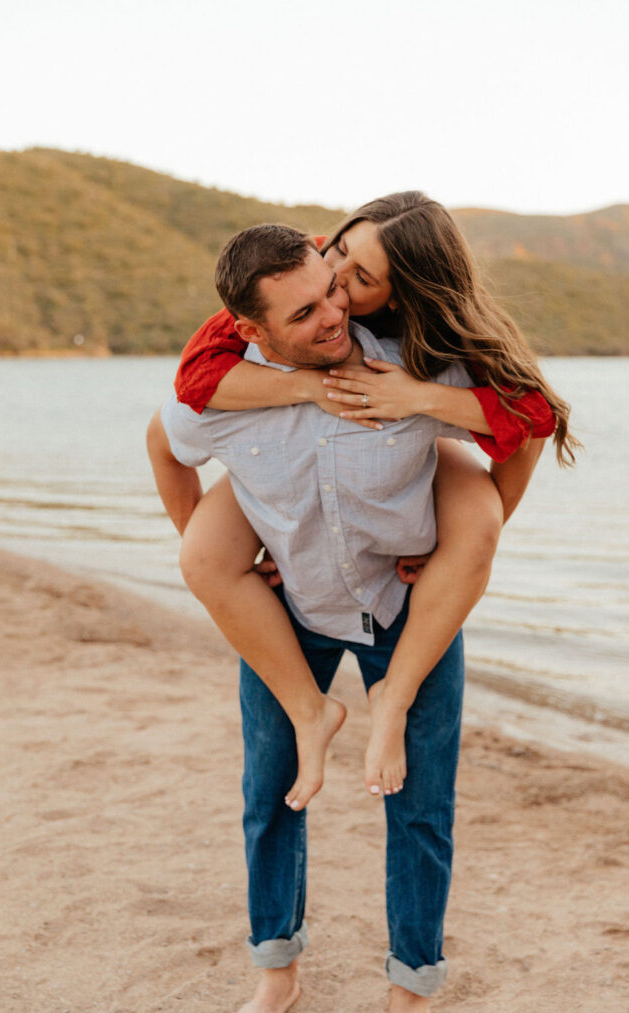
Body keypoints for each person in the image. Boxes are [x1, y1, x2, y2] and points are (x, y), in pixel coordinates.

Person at [146, 219, 575, 1013]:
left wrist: (471, 537)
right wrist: (226, 559)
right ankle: (276, 976)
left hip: (402, 611)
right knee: (268, 792)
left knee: (420, 806)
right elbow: (166, 444)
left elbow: (521, 423)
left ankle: (410, 990)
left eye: (334, 289)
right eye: (304, 312)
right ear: (252, 329)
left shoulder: (408, 367)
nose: (333, 313)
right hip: (291, 610)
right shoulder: (228, 391)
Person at [166, 193, 575, 814]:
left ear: (401, 297)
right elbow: (192, 385)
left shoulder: (432, 336)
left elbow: (535, 415)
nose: (337, 285)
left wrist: (422, 399)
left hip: (418, 450)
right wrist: (305, 386)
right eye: (339, 252)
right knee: (202, 555)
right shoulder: (292, 286)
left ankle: (396, 693)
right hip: (310, 470)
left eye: (359, 280)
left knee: (480, 521)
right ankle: (313, 714)